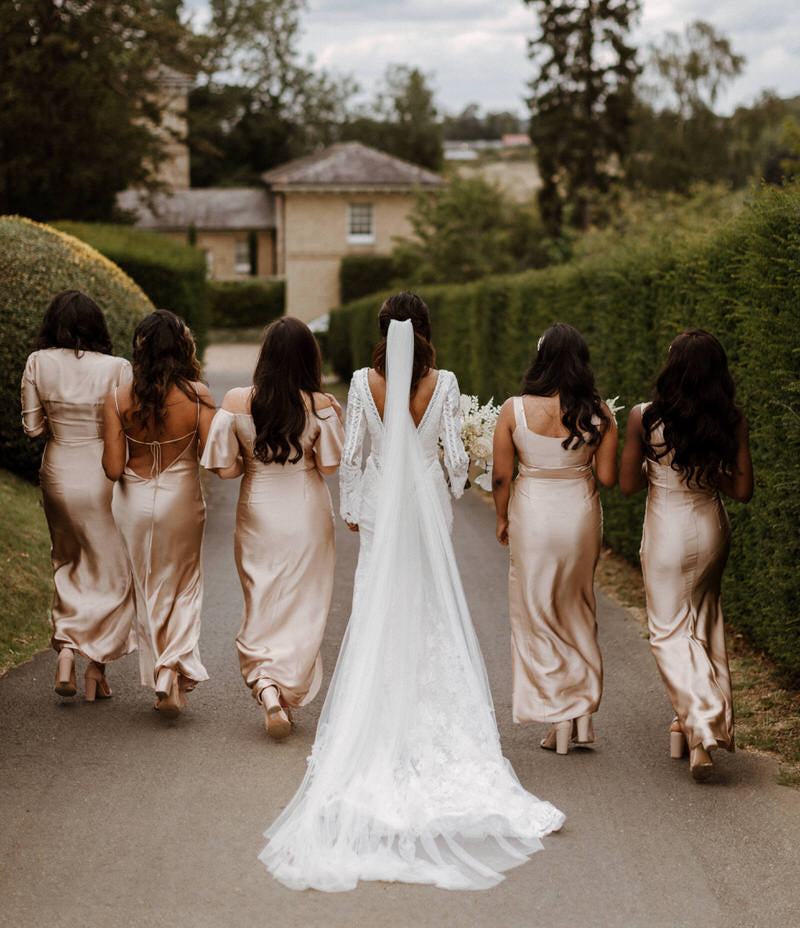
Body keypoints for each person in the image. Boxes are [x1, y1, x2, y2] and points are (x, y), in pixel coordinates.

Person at [259, 293, 564, 892]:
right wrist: (450, 483)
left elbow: (354, 457)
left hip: (377, 505)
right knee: (428, 608)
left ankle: (377, 717)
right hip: (424, 505)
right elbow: (452, 457)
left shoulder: (360, 381)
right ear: (428, 329)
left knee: (377, 607)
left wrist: (352, 507)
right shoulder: (445, 382)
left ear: (381, 330)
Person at [620, 328, 753, 781]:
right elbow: (743, 490)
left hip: (667, 530)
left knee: (668, 631)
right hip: (712, 527)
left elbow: (627, 485)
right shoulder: (730, 420)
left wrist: (654, 468)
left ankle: (702, 723)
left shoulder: (644, 417)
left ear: (671, 368)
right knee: (704, 620)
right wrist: (709, 476)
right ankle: (688, 725)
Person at [201, 317, 344, 738]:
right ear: (308, 358)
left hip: (257, 508)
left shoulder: (237, 400)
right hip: (306, 510)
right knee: (305, 602)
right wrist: (331, 414)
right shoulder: (318, 403)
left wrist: (252, 460)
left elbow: (224, 469)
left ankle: (266, 685)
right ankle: (284, 687)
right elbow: (331, 466)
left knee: (262, 599)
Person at [492, 323, 618, 755]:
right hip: (580, 515)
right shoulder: (598, 413)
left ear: (541, 359)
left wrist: (501, 518)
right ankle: (581, 715)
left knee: (538, 610)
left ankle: (559, 714)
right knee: (579, 606)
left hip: (533, 514)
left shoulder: (514, 410)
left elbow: (501, 476)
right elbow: (607, 477)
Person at [21, 290, 136, 701]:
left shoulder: (38, 362)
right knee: (113, 570)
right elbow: (126, 428)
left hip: (57, 469)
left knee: (67, 560)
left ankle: (67, 649)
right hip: (102, 471)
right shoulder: (118, 368)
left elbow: (33, 428)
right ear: (97, 326)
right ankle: (96, 666)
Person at [102, 310, 215, 718]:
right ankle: (170, 668)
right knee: (183, 586)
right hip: (181, 498)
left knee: (147, 590)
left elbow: (113, 469)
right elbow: (212, 457)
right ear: (183, 347)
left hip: (133, 501)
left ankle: (162, 668)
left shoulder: (117, 397)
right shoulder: (198, 395)